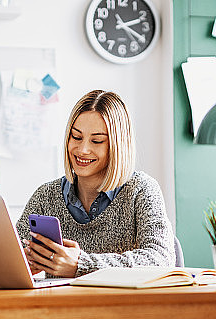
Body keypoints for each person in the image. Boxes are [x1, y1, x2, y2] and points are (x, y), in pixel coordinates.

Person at [16, 90, 175, 277]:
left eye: (97, 141)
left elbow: (161, 259)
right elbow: (10, 256)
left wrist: (80, 265)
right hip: (61, 305)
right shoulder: (46, 196)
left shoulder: (141, 190)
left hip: (121, 306)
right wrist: (25, 263)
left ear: (117, 145)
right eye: (76, 137)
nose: (83, 149)